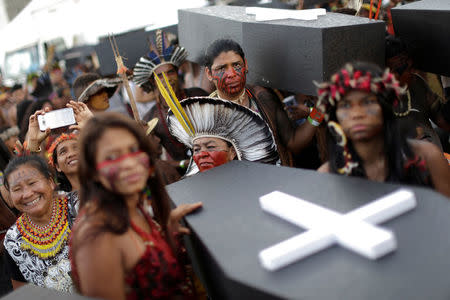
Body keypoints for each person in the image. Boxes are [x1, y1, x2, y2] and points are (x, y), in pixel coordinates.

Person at [70, 112, 202, 300]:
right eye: (112, 157)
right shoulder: (97, 235)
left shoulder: (134, 205)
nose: (129, 163)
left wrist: (166, 231)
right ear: (93, 172)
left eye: (134, 150)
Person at [316, 62, 450, 198]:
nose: (357, 113)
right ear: (336, 117)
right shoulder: (328, 175)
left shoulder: (427, 157)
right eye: (345, 105)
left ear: (385, 107)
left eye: (368, 102)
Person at [204, 38, 322, 166]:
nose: (231, 73)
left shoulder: (263, 97)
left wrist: (318, 112)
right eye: (221, 68)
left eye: (236, 65)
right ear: (209, 74)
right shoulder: (205, 116)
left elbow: (293, 142)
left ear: (246, 65)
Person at [2, 155, 77, 292]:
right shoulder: (13, 241)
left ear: (50, 182)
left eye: (32, 183)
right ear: (10, 197)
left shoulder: (79, 206)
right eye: (17, 189)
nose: (27, 194)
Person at [134, 29, 208, 162]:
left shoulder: (198, 95)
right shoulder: (152, 119)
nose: (167, 79)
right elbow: (154, 159)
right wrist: (181, 164)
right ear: (153, 81)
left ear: (177, 72)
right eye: (160, 76)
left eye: (170, 72)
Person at [167, 97, 279, 175]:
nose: (202, 154)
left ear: (232, 153)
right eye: (196, 149)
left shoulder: (252, 182)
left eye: (210, 147)